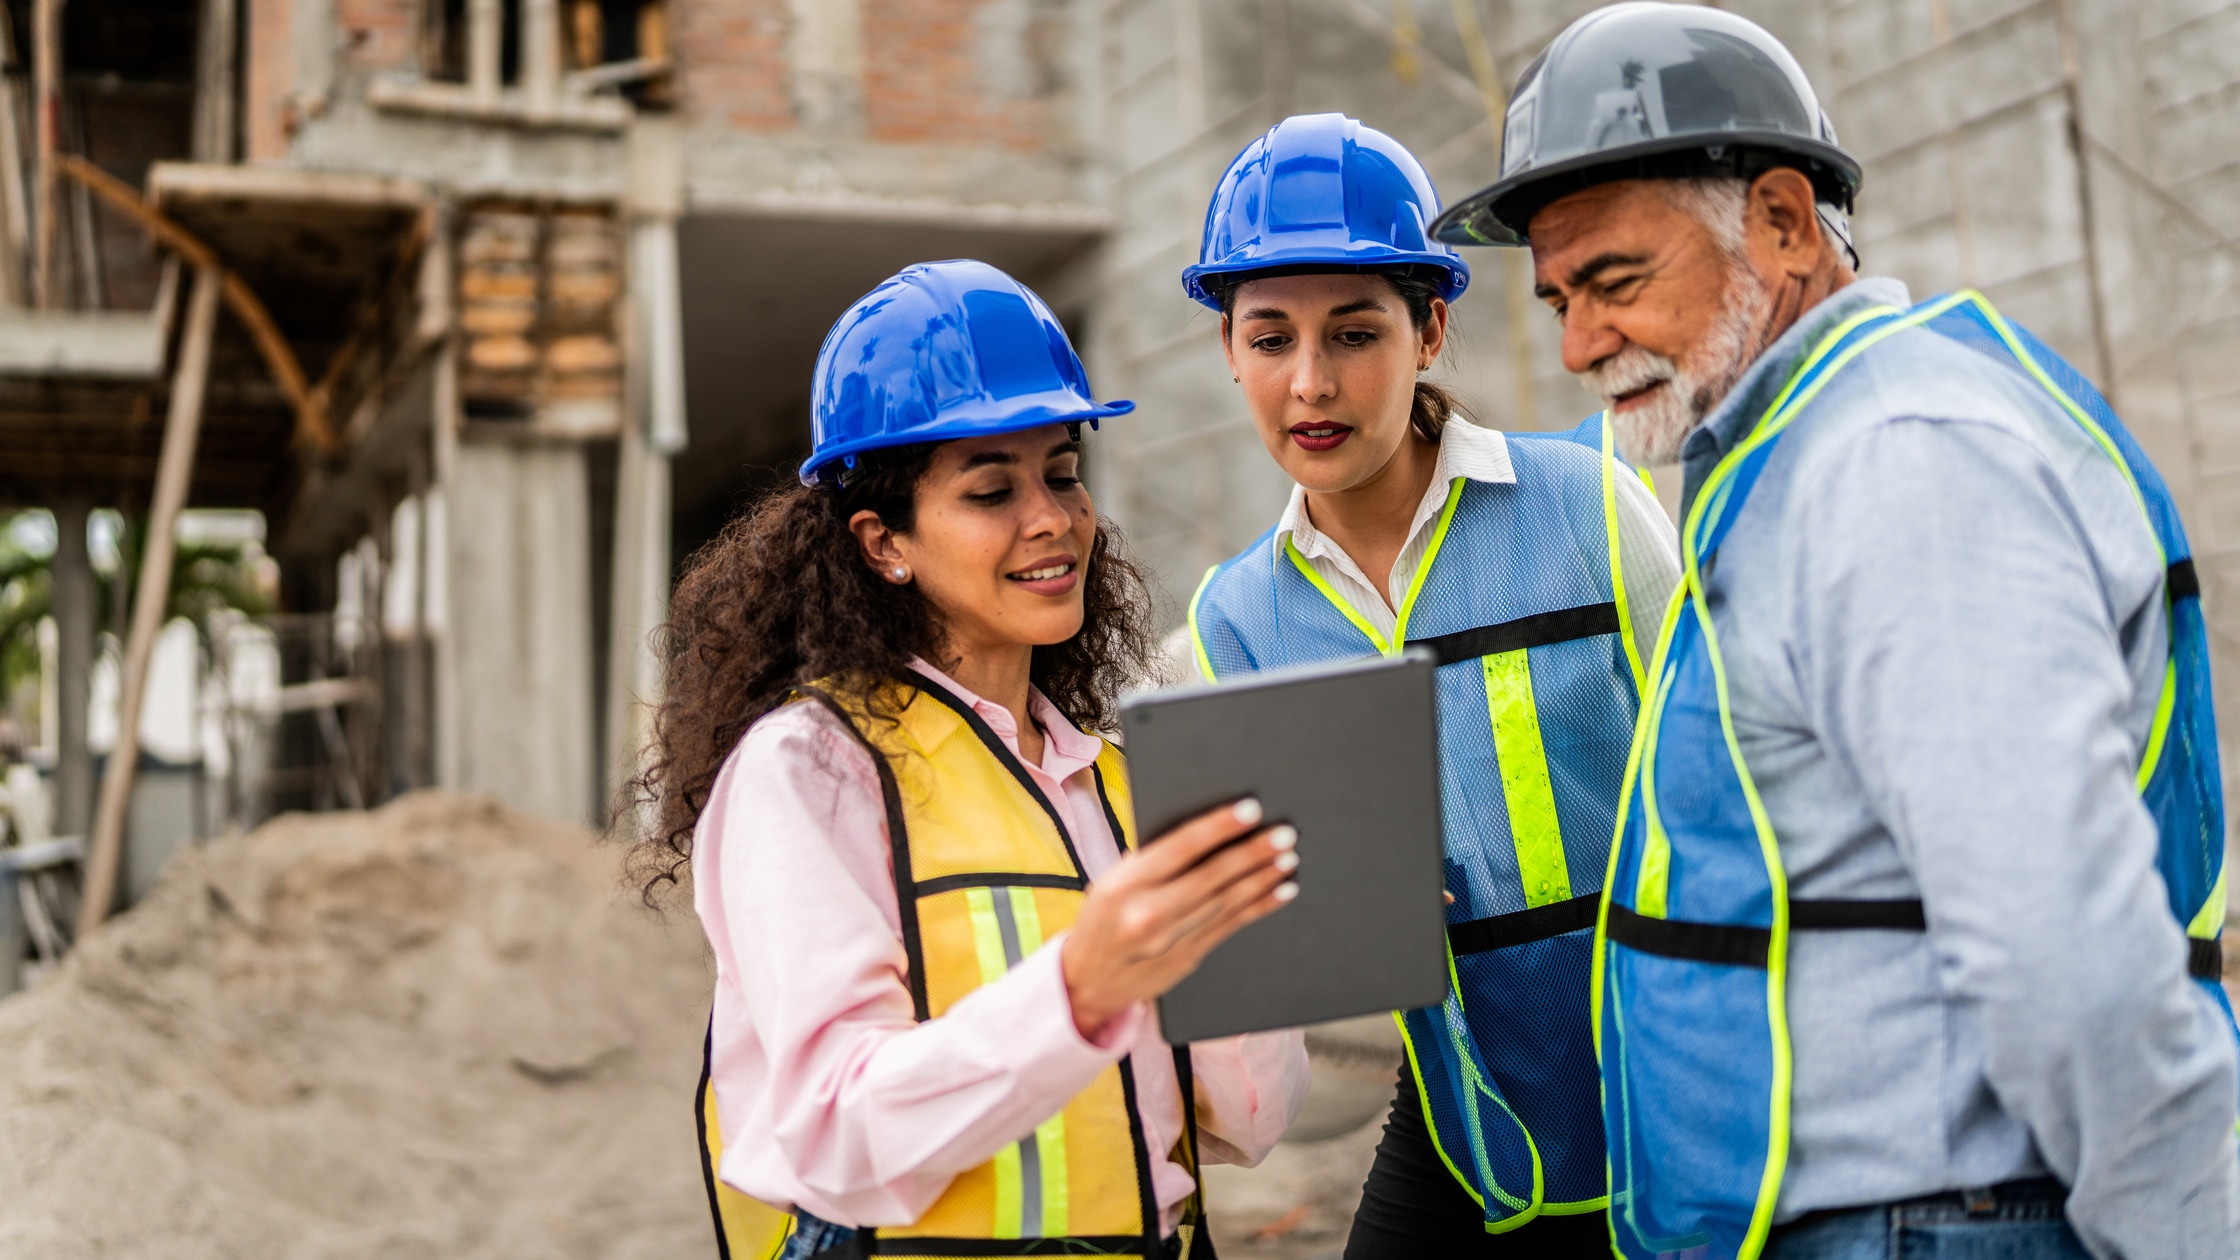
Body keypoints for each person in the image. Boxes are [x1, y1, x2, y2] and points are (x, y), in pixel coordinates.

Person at [1431, 5, 2240, 1258]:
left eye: (1615, 282)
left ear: (1783, 222)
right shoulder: (1804, 452)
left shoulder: (1898, 470)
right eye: (1555, 302)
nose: (1580, 344)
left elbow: (2064, 954)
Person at [628, 260, 1311, 1260]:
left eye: (1063, 474)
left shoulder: (1118, 780)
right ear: (881, 543)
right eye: (992, 489)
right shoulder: (810, 773)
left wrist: (1271, 945)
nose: (1051, 518)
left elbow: (1244, 1126)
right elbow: (833, 1127)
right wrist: (1078, 989)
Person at [1180, 113, 1683, 1257]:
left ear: (1430, 329)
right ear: (1228, 352)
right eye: (1268, 339)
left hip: (1664, 1110)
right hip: (1460, 1129)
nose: (1309, 383)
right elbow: (1276, 921)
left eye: (1354, 333)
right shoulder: (1233, 624)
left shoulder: (1588, 508)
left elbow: (1727, 785)